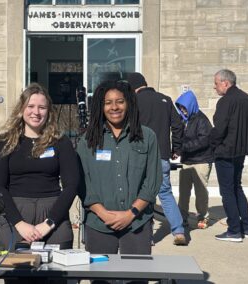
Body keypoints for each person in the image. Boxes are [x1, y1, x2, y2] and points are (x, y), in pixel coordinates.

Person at [77, 80, 162, 263]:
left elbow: (153, 181)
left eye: (120, 101)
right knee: (101, 279)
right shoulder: (88, 140)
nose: (114, 107)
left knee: (136, 277)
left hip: (137, 223)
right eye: (108, 102)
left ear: (129, 103)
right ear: (101, 106)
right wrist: (103, 213)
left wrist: (130, 213)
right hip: (99, 224)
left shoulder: (147, 137)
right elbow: (82, 183)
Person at [0, 83, 80, 254]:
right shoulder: (5, 142)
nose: (36, 112)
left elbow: (71, 185)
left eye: (42, 107)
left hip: (54, 213)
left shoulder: (61, 142)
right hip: (15, 212)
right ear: (21, 108)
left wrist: (49, 223)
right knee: (16, 273)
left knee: (57, 274)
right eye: (30, 106)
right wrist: (19, 223)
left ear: (49, 111)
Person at [127, 72, 187, 245]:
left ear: (132, 88)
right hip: (162, 154)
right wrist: (176, 148)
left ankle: (146, 237)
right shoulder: (166, 100)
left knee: (141, 194)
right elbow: (177, 126)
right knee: (165, 193)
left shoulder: (133, 102)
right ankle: (179, 232)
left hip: (139, 155)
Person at [210, 69, 248, 242]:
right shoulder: (247, 99)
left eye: (216, 83)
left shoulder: (226, 101)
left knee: (227, 190)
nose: (215, 87)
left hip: (226, 151)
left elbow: (219, 129)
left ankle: (234, 230)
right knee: (236, 187)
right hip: (241, 151)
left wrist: (212, 145)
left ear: (225, 83)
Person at [175, 90, 214, 229]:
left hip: (201, 160)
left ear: (191, 105)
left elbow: (203, 141)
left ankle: (203, 216)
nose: (182, 110)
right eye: (180, 108)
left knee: (200, 192)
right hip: (187, 161)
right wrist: (176, 149)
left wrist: (183, 148)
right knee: (184, 192)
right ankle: (182, 217)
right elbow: (178, 138)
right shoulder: (182, 120)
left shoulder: (202, 119)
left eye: (184, 107)